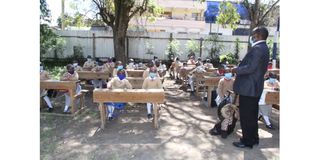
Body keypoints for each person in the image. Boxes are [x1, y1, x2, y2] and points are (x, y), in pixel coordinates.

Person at [231, 26, 270, 148]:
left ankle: (247, 141)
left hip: (248, 89)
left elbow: (250, 68)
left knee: (247, 116)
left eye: (253, 34)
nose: (251, 37)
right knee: (252, 116)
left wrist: (235, 69)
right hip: (254, 88)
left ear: (258, 35)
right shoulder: (264, 48)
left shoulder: (258, 48)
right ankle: (254, 138)